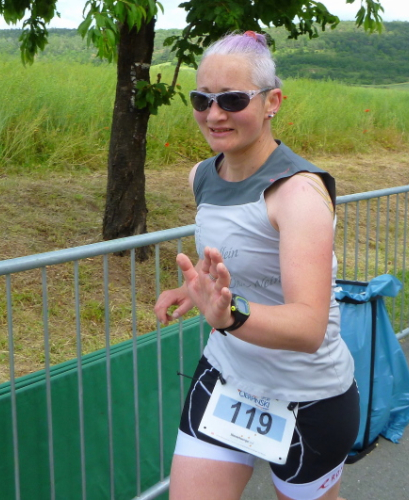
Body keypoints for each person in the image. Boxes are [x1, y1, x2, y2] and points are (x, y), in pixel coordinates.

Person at [153, 31, 359, 500]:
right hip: (228, 377)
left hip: (307, 395)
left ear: (272, 102)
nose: (214, 114)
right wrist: (195, 289)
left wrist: (230, 314)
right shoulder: (203, 175)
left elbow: (308, 327)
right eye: (202, 99)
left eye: (232, 99)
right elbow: (233, 255)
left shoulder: (298, 193)